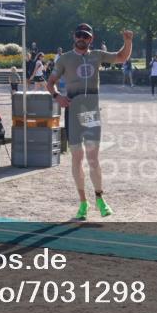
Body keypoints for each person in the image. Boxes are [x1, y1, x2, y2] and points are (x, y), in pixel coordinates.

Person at [47, 23, 133, 220]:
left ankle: (100, 198)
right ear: (74, 36)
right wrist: (57, 96)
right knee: (77, 158)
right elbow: (50, 83)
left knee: (93, 158)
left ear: (91, 39)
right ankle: (83, 202)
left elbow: (121, 57)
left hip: (91, 113)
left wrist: (128, 41)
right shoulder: (64, 59)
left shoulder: (97, 56)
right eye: (79, 35)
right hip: (73, 113)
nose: (81, 38)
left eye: (85, 36)